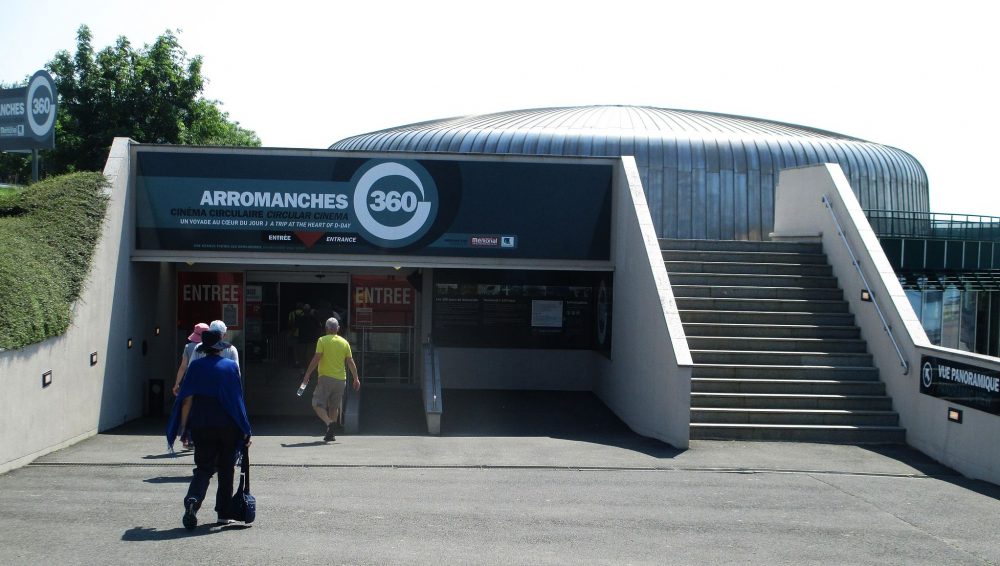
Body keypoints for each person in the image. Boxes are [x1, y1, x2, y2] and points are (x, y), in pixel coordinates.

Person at [166, 329, 252, 530]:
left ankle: (193, 500)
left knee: (203, 468)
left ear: (203, 349)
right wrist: (246, 428)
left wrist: (184, 427)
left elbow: (186, 399)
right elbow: (236, 400)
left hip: (202, 425)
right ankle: (223, 513)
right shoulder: (230, 367)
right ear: (220, 348)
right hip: (227, 426)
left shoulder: (195, 367)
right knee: (226, 469)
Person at [301, 318, 360, 442]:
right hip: (341, 380)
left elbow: (316, 358)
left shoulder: (322, 340)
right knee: (334, 407)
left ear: (326, 328)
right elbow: (350, 361)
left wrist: (307, 374)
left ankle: (329, 423)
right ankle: (330, 434)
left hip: (326, 378)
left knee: (316, 403)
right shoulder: (345, 342)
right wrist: (356, 378)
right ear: (338, 328)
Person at [174, 322, 209, 449]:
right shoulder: (210, 347)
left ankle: (185, 436)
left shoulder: (188, 347)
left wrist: (177, 383)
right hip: (205, 382)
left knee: (186, 408)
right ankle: (199, 437)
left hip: (189, 381)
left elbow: (183, 367)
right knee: (202, 409)